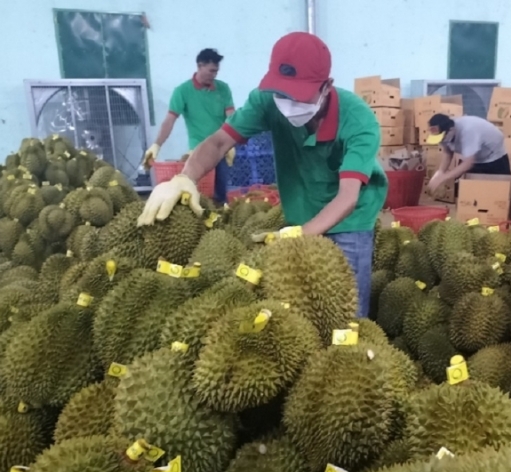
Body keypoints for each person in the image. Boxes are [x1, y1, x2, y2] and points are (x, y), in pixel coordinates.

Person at [137, 32, 388, 318]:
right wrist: (184, 178)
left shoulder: (358, 121)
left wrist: (300, 236)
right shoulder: (266, 101)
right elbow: (219, 142)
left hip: (351, 218)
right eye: (282, 93)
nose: (288, 102)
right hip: (302, 208)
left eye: (299, 95)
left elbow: (347, 198)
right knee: (299, 310)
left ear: (326, 86)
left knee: (348, 314)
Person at [142, 48, 236, 205]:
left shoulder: (223, 89)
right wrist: (157, 145)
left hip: (221, 149)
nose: (214, 75)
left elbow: (231, 116)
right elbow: (170, 120)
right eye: (211, 71)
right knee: (197, 195)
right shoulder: (183, 91)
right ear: (200, 66)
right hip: (198, 150)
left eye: (216, 71)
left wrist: (232, 140)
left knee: (220, 194)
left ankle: (221, 224)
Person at [425, 113, 510, 193]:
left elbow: (468, 163)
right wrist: (440, 172)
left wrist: (445, 177)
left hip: (494, 156)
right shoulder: (442, 133)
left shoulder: (468, 131)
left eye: (442, 138)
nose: (441, 141)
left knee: (501, 193)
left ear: (451, 130)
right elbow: (447, 152)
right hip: (475, 157)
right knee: (472, 194)